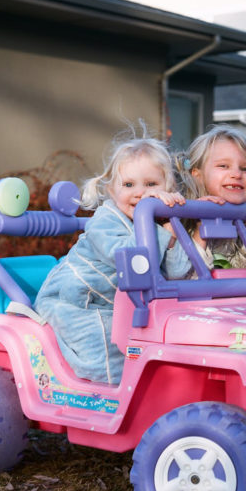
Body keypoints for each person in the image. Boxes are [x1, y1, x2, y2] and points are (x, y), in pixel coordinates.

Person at [35, 134, 191, 384]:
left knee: (157, 339)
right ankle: (107, 395)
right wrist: (159, 232)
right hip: (75, 301)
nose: (140, 193)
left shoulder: (160, 223)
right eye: (128, 185)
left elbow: (178, 272)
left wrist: (172, 235)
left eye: (151, 184)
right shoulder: (103, 221)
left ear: (168, 189)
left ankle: (151, 388)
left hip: (118, 305)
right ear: (112, 190)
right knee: (106, 347)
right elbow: (128, 260)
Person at [176, 125, 246, 272]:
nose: (237, 174)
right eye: (223, 166)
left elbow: (244, 278)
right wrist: (201, 230)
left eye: (245, 169)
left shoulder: (244, 218)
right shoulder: (180, 217)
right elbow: (184, 276)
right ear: (197, 175)